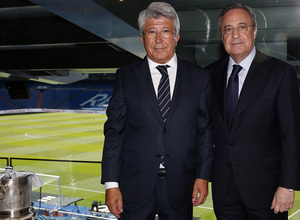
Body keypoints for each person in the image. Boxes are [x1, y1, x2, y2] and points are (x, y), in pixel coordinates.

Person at [101, 2, 213, 220]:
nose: (159, 39)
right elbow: (114, 132)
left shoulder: (199, 77)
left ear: (176, 37)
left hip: (182, 186)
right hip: (134, 187)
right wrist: (111, 184)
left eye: (166, 31)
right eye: (152, 32)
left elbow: (205, 131)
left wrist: (203, 176)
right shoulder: (126, 77)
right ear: (142, 38)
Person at [206, 3, 300, 220]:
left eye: (242, 27)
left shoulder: (280, 73)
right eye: (228, 29)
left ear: (255, 31)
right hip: (224, 193)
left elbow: (292, 135)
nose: (235, 34)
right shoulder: (209, 75)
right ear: (222, 36)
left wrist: (288, 185)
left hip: (267, 193)